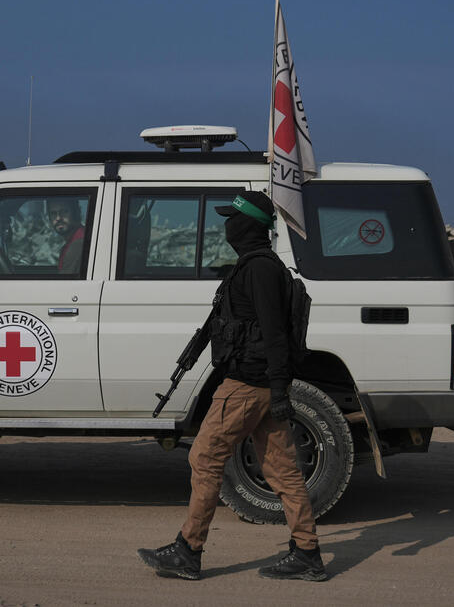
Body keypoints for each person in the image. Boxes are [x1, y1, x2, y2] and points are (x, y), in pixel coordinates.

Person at [137, 190, 327, 582]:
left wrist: (278, 390)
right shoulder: (259, 266)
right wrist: (276, 390)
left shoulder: (258, 270)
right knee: (283, 471)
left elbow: (274, 332)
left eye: (232, 218)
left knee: (204, 459)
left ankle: (188, 551)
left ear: (247, 226)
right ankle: (307, 553)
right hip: (259, 385)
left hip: (245, 386)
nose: (226, 226)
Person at [47, 197, 85, 274]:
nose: (58, 218)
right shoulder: (71, 243)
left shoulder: (78, 244)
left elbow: (64, 284)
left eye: (64, 212)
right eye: (53, 213)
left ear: (76, 212)